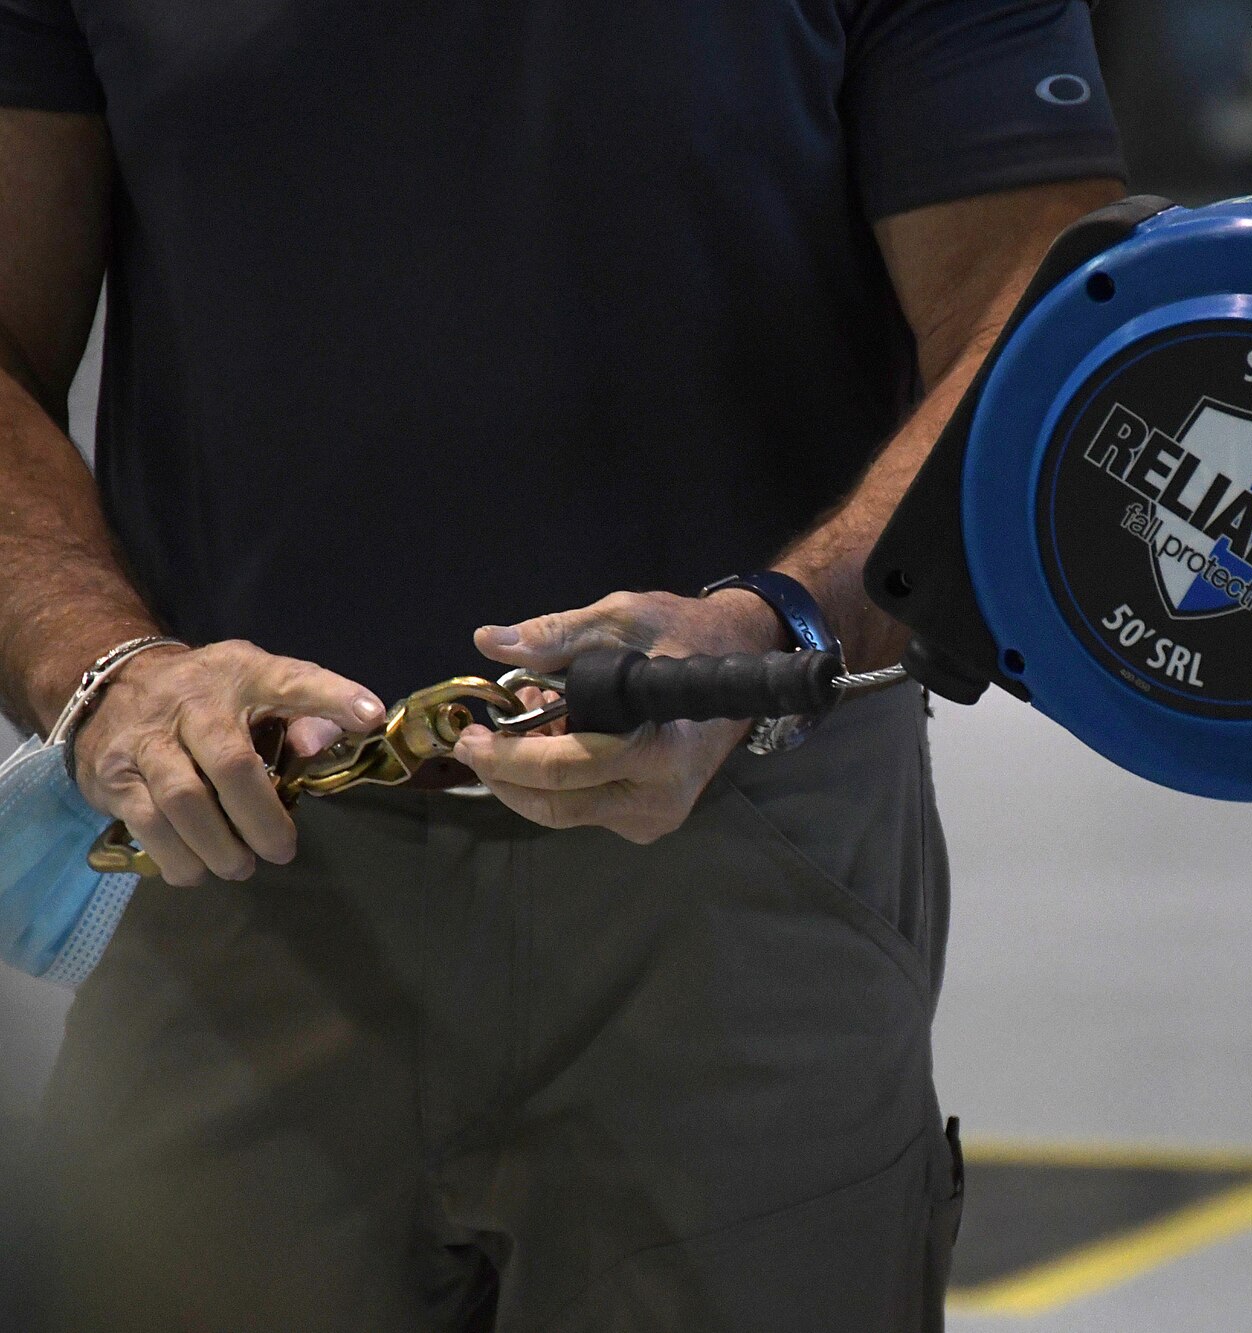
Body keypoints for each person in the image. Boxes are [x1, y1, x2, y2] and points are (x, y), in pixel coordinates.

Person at [0, 2, 1124, 1328]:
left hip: (739, 842)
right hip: (238, 850)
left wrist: (774, 620)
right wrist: (110, 674)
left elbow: (1043, 318)